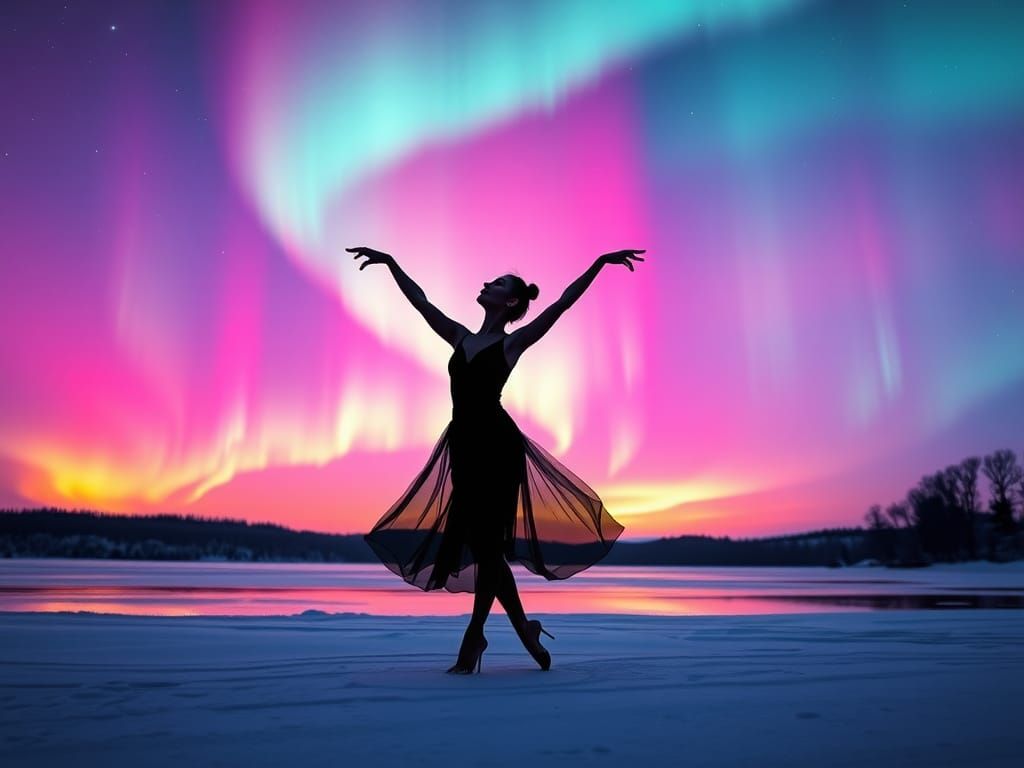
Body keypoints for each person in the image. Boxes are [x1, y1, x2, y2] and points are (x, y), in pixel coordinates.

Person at [349, 245, 644, 673]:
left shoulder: (511, 344)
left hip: (497, 447)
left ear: (511, 303)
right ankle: (519, 627)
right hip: (464, 447)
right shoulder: (460, 337)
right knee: (487, 549)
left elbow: (561, 304)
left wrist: (597, 264)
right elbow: (420, 302)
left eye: (498, 284)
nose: (487, 283)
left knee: (488, 546)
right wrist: (392, 263)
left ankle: (475, 639)